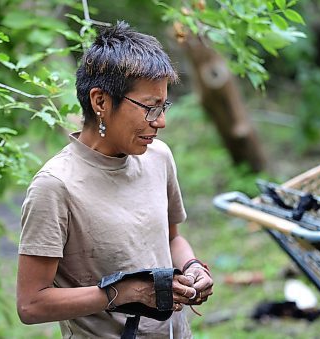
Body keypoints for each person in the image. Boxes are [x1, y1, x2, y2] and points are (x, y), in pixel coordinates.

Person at [16, 21, 213, 339]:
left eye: (163, 106)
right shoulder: (55, 186)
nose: (161, 122)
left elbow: (172, 239)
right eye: (150, 108)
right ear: (101, 102)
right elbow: (31, 304)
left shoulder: (158, 157)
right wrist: (125, 292)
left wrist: (192, 267)